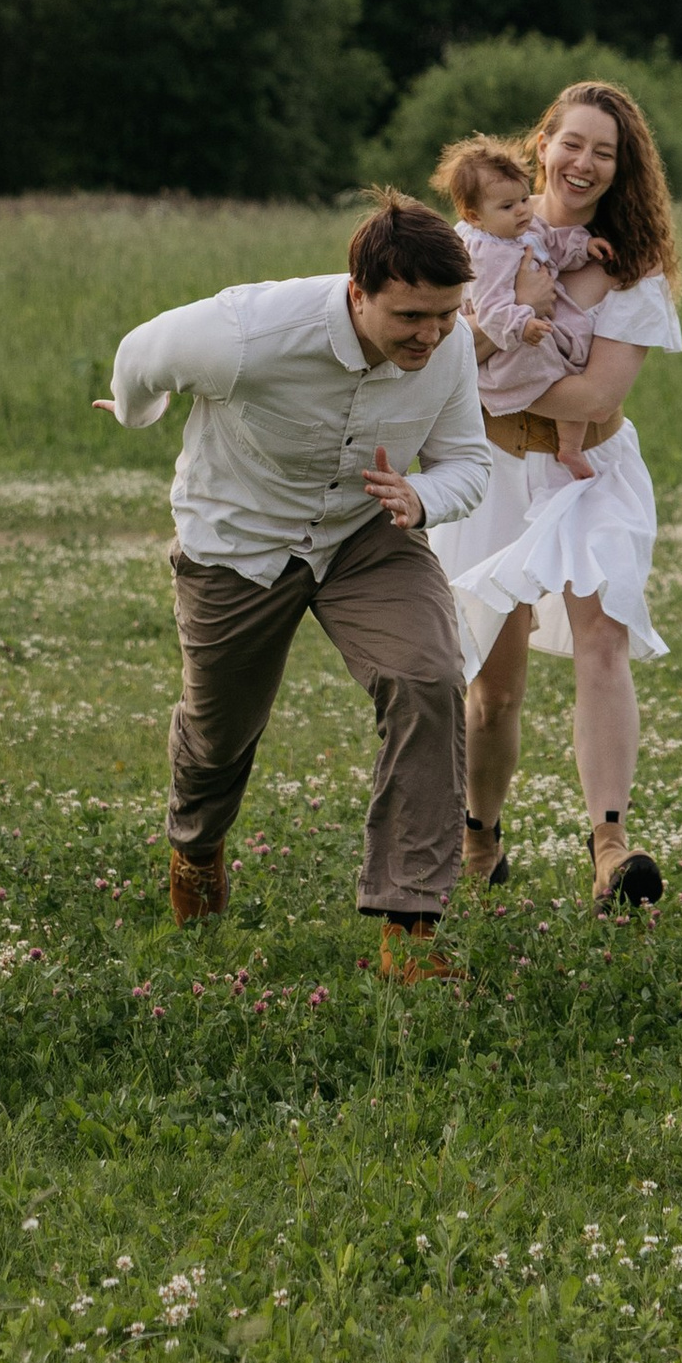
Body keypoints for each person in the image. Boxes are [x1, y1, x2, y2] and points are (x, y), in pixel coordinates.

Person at [96, 194, 487, 975]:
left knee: (430, 679)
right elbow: (142, 353)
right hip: (239, 541)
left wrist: (424, 499)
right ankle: (196, 850)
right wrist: (141, 414)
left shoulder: (450, 345)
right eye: (411, 315)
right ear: (358, 292)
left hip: (367, 533)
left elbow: (467, 462)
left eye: (446, 314)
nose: (432, 334)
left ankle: (409, 931)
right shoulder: (248, 332)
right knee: (219, 732)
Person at [424, 80, 682, 919]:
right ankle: (479, 837)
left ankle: (610, 848)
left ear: (620, 171)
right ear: (543, 145)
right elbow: (428, 342)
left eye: (604, 153)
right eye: (572, 143)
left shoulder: (629, 267)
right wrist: (492, 344)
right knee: (492, 686)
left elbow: (594, 396)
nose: (584, 163)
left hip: (591, 473)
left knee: (602, 640)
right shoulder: (475, 233)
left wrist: (491, 368)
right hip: (495, 475)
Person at [432, 135, 613, 482]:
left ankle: (569, 447)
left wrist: (583, 245)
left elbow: (553, 245)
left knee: (571, 367)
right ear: (474, 215)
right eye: (507, 206)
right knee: (561, 374)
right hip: (514, 341)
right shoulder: (487, 253)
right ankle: (569, 446)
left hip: (534, 325)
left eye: (523, 198)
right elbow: (492, 308)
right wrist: (523, 320)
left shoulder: (524, 228)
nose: (522, 210)